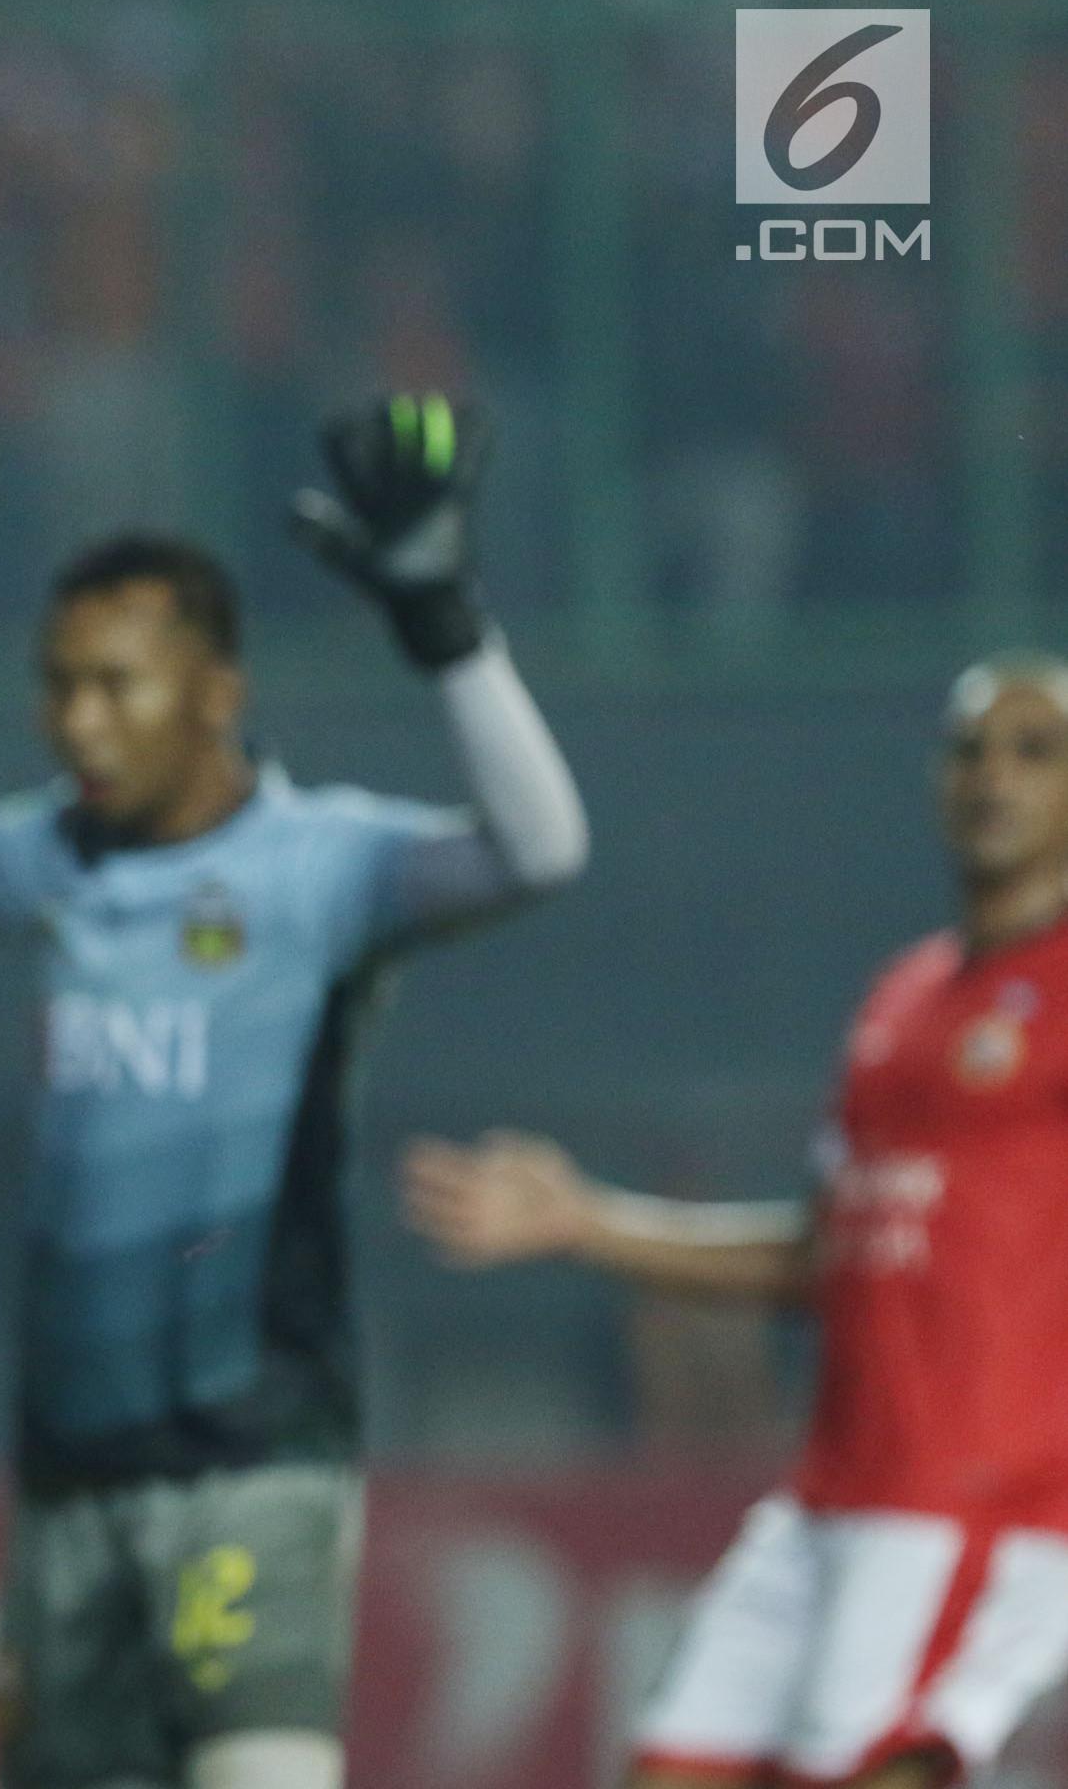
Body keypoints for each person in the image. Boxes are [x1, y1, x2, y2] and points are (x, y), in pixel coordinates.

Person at [0, 396, 590, 1789]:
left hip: (253, 1451)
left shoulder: (326, 865)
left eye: (116, 683)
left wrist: (447, 627)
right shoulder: (58, 859)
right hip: (69, 1472)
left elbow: (540, 849)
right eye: (58, 682)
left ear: (216, 692)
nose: (78, 720)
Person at [402, 654, 1068, 1789]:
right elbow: (832, 1251)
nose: (991, 777)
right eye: (968, 749)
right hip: (829, 1497)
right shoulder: (900, 996)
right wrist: (586, 1221)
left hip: (979, 1499)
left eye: (1034, 751)